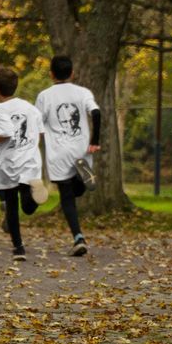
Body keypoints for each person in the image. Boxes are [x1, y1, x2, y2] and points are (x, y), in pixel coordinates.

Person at [0, 66, 44, 262]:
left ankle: (19, 248)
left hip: (9, 163)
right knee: (28, 206)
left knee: (12, 207)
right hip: (30, 161)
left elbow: (6, 132)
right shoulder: (30, 108)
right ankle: (34, 194)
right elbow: (40, 132)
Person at [35, 54, 100, 257]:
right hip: (81, 150)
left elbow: (37, 125)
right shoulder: (83, 92)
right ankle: (81, 178)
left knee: (67, 197)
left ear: (51, 74)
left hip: (58, 153)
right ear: (72, 73)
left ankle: (78, 237)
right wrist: (95, 141)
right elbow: (96, 113)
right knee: (79, 189)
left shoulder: (45, 96)